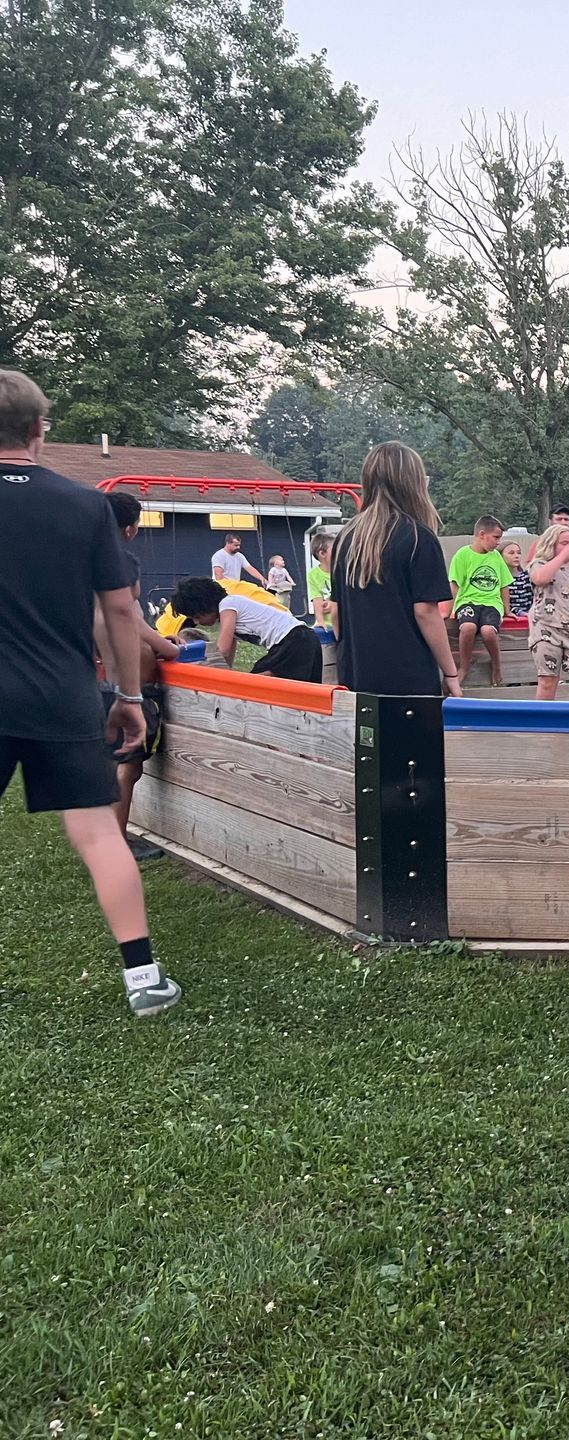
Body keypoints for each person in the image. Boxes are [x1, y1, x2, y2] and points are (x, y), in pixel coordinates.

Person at [0, 369, 179, 1016]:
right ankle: (144, 980)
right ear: (38, 429)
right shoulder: (85, 506)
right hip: (64, 694)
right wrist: (128, 696)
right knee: (100, 835)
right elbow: (119, 611)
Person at [331, 442, 459, 698]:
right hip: (409, 679)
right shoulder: (418, 537)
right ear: (412, 484)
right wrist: (451, 673)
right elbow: (426, 613)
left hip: (357, 677)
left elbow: (336, 612)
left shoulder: (346, 539)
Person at [97, 490, 180, 861]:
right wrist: (166, 647)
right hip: (131, 688)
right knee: (127, 770)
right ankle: (116, 844)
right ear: (130, 528)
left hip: (103, 682)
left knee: (112, 764)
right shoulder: (117, 563)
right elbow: (129, 618)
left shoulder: (83, 563)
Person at [168, 575, 323, 683]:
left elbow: (222, 650)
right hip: (305, 639)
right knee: (299, 684)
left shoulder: (228, 605)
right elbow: (226, 660)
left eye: (197, 617)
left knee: (253, 683)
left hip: (295, 639)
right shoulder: (230, 613)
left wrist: (204, 672)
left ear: (205, 606)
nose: (197, 622)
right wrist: (223, 673)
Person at [526, 523, 569, 701]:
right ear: (551, 544)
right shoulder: (539, 564)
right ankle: (543, 717)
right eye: (564, 543)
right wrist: (561, 556)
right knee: (548, 680)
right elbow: (540, 579)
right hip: (547, 629)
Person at [446, 515, 512, 686]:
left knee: (488, 631)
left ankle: (496, 664)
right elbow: (454, 584)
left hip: (491, 603)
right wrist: (449, 610)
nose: (498, 542)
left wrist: (507, 610)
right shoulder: (462, 555)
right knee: (468, 627)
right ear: (482, 534)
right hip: (468, 601)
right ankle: (464, 666)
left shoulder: (496, 557)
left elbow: (504, 584)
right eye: (496, 537)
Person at [306, 535, 336, 629]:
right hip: (328, 623)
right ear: (322, 554)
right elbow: (317, 600)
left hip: (342, 621)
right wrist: (320, 621)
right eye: (335, 549)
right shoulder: (313, 575)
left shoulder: (342, 570)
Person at [500, 539, 534, 619]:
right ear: (500, 556)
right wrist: (519, 612)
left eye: (519, 553)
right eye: (511, 553)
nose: (516, 556)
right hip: (509, 619)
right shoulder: (498, 578)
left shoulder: (527, 576)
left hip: (529, 618)